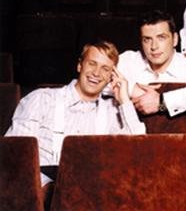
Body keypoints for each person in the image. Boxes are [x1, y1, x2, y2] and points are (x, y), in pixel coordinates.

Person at [6, 41, 146, 187]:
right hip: (43, 188)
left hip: (93, 188)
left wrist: (124, 100)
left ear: (112, 76)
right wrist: (46, 189)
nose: (96, 73)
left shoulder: (112, 111)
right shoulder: (41, 99)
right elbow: (15, 153)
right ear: (80, 65)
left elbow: (138, 150)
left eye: (105, 68)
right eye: (92, 63)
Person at [117, 9, 186, 117]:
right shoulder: (130, 60)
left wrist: (161, 102)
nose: (154, 46)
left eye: (161, 38)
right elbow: (106, 74)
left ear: (175, 40)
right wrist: (131, 89)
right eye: (147, 39)